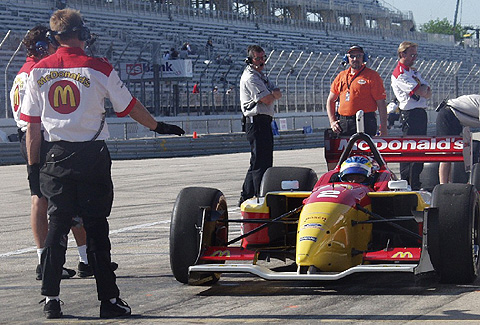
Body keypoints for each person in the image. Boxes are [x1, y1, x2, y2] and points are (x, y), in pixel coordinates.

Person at [20, 9, 185, 319]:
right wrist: (157, 127)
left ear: (54, 38)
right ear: (82, 34)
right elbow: (130, 107)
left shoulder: (38, 71)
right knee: (96, 229)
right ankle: (109, 301)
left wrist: (32, 170)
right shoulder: (99, 68)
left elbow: (31, 127)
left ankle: (51, 299)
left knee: (56, 228)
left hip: (54, 157)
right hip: (92, 157)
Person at [9, 24, 105, 282]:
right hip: (40, 138)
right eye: (52, 44)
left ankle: (64, 259)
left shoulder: (21, 72)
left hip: (29, 136)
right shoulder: (38, 73)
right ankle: (67, 259)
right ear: (43, 47)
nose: (57, 48)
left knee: (47, 199)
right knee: (61, 200)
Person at [238, 45, 282, 206]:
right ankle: (259, 195)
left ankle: (246, 195)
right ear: (250, 60)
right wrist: (272, 94)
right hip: (255, 122)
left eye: (263, 57)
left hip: (264, 121)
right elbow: (269, 98)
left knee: (260, 160)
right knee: (260, 162)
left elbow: (277, 92)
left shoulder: (260, 75)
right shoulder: (251, 77)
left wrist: (272, 94)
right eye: (258, 58)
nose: (262, 61)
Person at [391, 41, 432, 190]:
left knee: (421, 149)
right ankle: (407, 182)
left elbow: (428, 91)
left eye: (416, 54)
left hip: (420, 112)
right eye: (412, 54)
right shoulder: (400, 73)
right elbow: (421, 91)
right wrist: (422, 90)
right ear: (402, 54)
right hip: (410, 114)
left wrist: (422, 90)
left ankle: (416, 182)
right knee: (410, 149)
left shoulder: (413, 72)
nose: (415, 57)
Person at [326, 45, 387, 137]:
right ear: (347, 58)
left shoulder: (372, 76)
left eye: (359, 56)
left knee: (366, 150)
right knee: (346, 151)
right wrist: (332, 121)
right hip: (344, 122)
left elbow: (381, 103)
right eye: (352, 56)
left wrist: (383, 128)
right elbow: (330, 100)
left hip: (366, 121)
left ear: (364, 58)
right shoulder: (341, 76)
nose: (355, 59)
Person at [436, 94, 480, 183]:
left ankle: (454, 183)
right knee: (447, 153)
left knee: (458, 154)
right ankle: (443, 184)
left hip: (457, 120)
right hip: (448, 115)